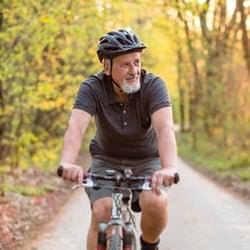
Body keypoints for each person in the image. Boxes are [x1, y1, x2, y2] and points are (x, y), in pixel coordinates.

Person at [58, 29, 178, 250]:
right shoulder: (92, 87)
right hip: (107, 159)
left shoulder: (154, 86)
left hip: (146, 159)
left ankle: (149, 245)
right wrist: (67, 162)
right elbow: (76, 126)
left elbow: (165, 128)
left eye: (137, 62)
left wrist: (169, 167)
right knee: (101, 210)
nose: (134, 70)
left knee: (157, 202)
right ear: (106, 67)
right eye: (125, 65)